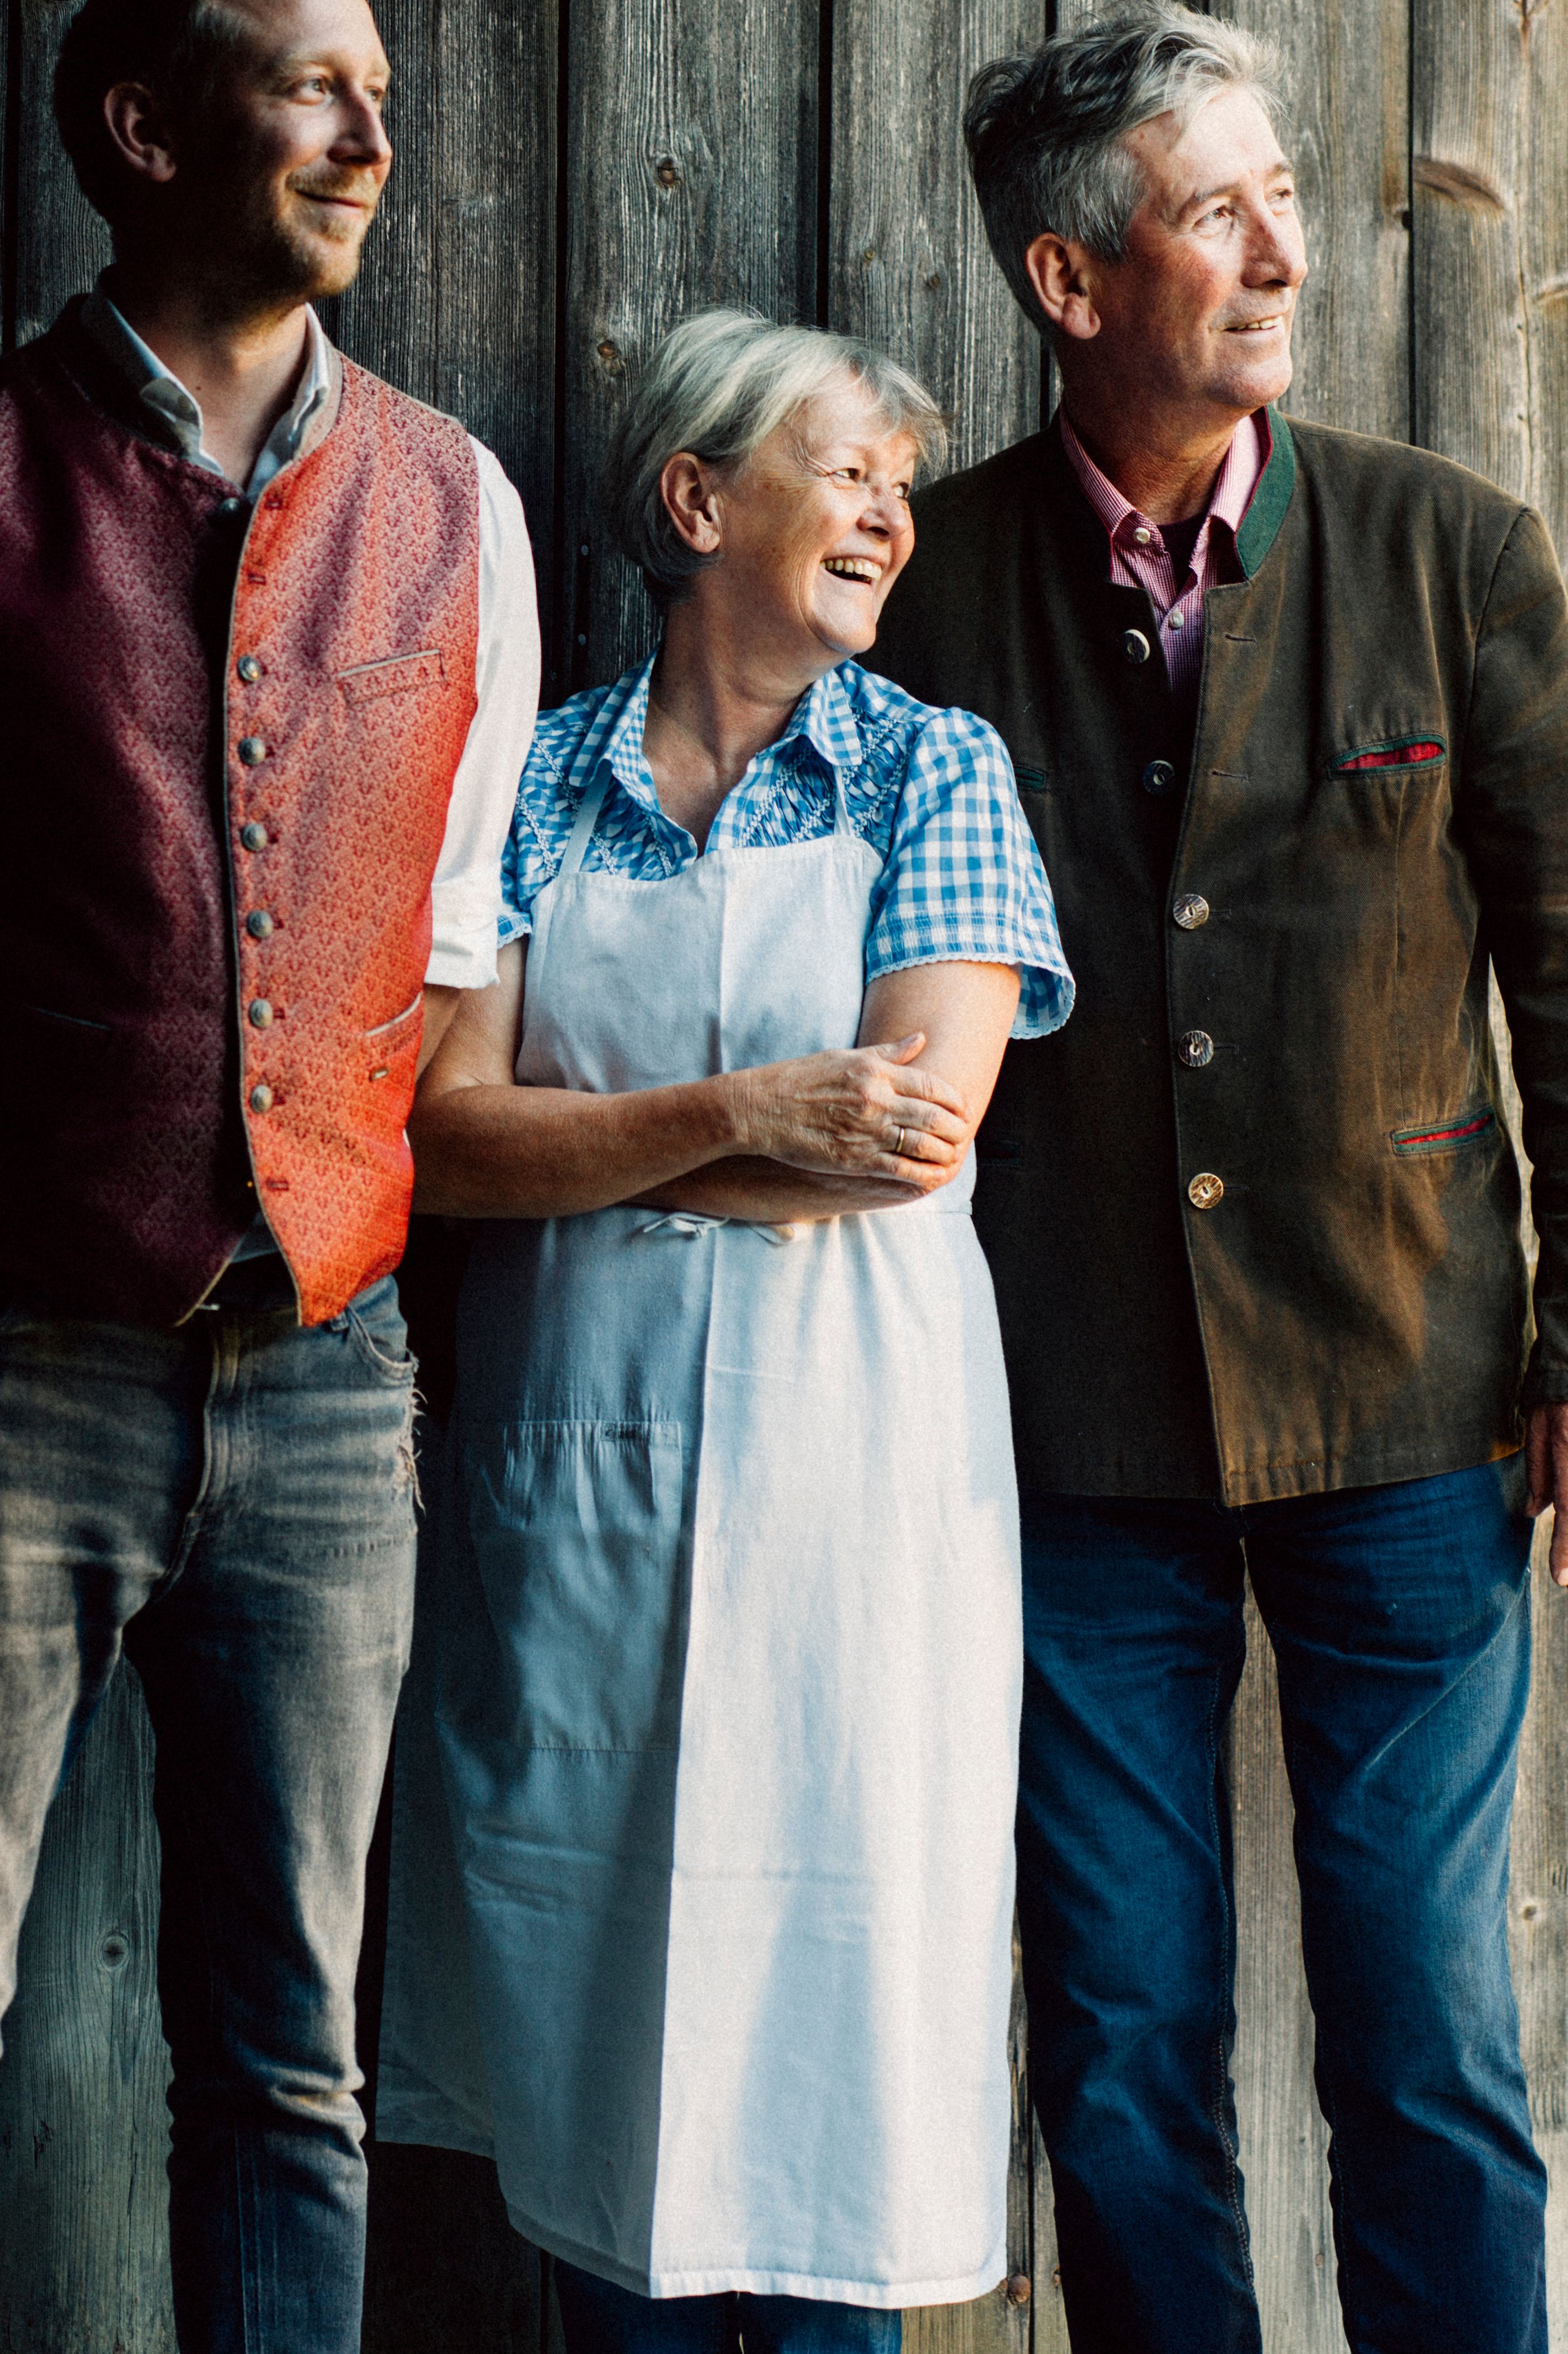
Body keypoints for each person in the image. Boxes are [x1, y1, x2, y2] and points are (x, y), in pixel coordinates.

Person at [0, 0, 542, 2354]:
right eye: (314, 83)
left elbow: (454, 941)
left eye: (381, 85)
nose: (376, 131)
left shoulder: (454, 504)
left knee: (292, 2057)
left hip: (328, 1379)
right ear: (149, 130)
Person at [860, 1, 1568, 2354]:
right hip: (1065, 1428)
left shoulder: (1451, 549)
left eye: (1285, 194)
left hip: (1412, 1406)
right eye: (1213, 207)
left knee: (1424, 2028)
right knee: (1120, 2036)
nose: (1280, 251)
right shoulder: (921, 589)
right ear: (1067, 278)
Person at [378, 308, 1073, 2350]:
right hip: (571, 1502)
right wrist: (747, 1116)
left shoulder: (938, 769)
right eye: (843, 470)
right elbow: (436, 1144)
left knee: (832, 2088)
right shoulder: (531, 778)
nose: (889, 514)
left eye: (900, 490)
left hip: (856, 1503)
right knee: (595, 2083)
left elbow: (911, 1144)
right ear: (697, 503)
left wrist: (588, 1151)